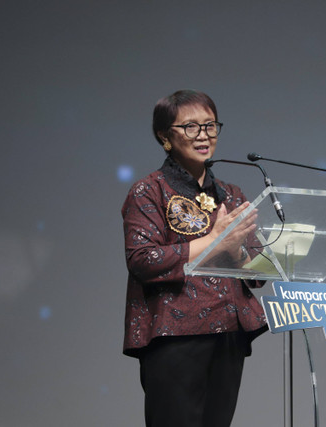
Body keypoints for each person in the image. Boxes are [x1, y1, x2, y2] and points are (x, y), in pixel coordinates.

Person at [121, 89, 268, 427]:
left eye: (210, 126)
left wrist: (240, 252)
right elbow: (144, 259)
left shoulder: (231, 194)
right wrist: (215, 239)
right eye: (191, 127)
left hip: (229, 331)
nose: (203, 136)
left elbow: (257, 269)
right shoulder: (150, 190)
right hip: (176, 335)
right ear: (165, 136)